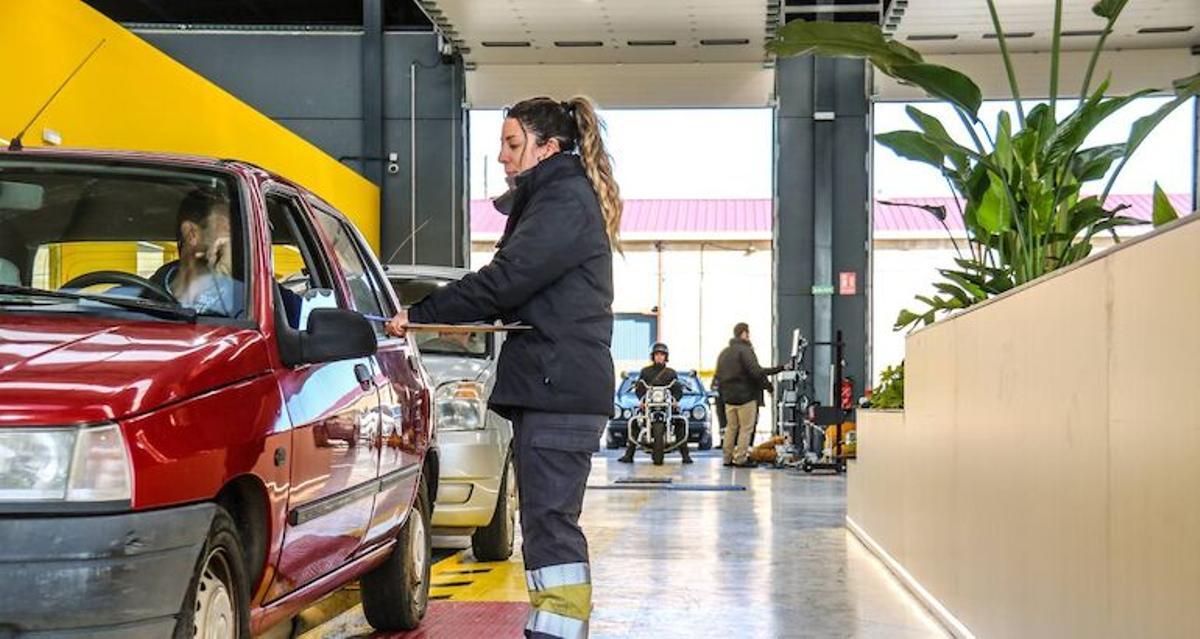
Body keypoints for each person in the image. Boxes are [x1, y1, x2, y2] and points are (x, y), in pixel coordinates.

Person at [386, 95, 620, 639]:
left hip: (558, 389)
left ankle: (558, 633)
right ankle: (551, 630)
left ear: (548, 148)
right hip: (553, 386)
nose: (502, 157)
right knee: (544, 526)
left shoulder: (563, 200)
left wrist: (420, 315)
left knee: (551, 527)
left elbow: (506, 279)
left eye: (513, 144)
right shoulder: (556, 197)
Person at [160, 188, 243, 317]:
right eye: (228, 229)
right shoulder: (147, 294)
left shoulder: (250, 292)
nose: (238, 239)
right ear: (191, 234)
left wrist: (240, 274)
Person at [715, 322, 787, 468]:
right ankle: (740, 458)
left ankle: (727, 458)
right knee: (746, 428)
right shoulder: (746, 351)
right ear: (744, 334)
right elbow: (756, 372)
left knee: (731, 427)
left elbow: (718, 376)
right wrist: (778, 371)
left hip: (729, 398)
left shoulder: (724, 353)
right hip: (745, 397)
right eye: (748, 333)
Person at [618, 342, 693, 464]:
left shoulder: (671, 372)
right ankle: (629, 454)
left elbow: (677, 388)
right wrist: (641, 400)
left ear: (666, 357)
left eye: (662, 354)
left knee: (680, 421)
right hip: (649, 404)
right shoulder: (645, 371)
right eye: (657, 354)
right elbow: (640, 387)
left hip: (667, 404)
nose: (659, 357)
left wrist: (675, 400)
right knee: (634, 421)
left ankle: (685, 455)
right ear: (653, 356)